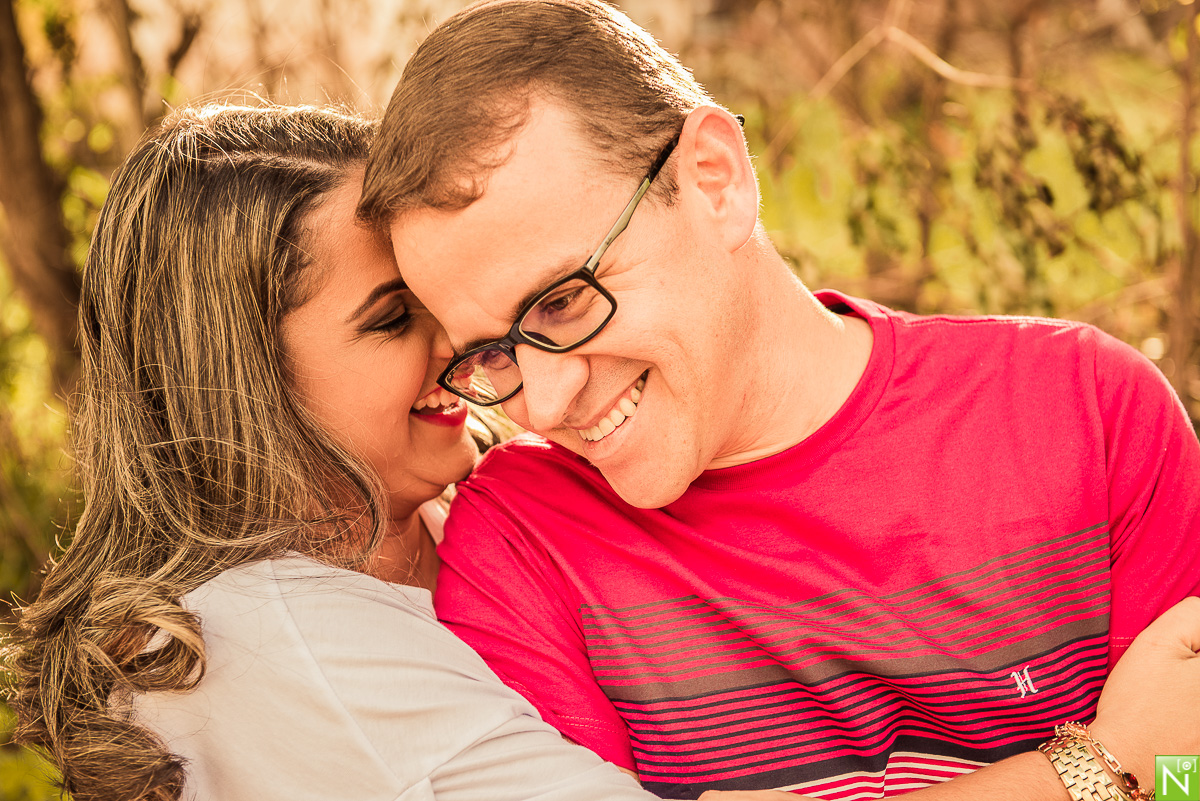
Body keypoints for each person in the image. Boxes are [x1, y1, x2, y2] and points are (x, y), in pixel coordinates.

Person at [357, 1, 1200, 798]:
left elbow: (1190, 771)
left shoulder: (1085, 410)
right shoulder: (522, 538)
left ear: (715, 180)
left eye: (564, 301)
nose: (541, 405)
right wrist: (1094, 770)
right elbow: (1151, 760)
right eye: (492, 352)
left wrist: (1155, 773)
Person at [3, 103, 661, 801]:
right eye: (392, 318)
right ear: (244, 386)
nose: (458, 340)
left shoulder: (493, 519)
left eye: (438, 295)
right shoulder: (275, 638)